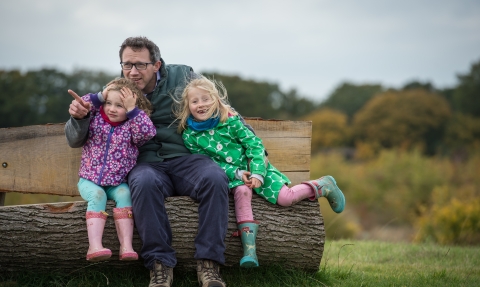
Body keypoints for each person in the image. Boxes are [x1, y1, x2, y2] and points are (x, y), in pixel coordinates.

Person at [65, 36, 251, 287]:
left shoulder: (183, 76)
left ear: (157, 64)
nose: (132, 72)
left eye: (140, 65)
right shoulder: (116, 90)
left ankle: (209, 265)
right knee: (141, 183)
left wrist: (253, 149)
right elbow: (76, 138)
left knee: (214, 176)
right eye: (126, 65)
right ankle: (159, 266)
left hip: (186, 158)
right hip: (146, 164)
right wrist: (79, 118)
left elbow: (219, 106)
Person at [175, 76, 346, 268]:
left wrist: (257, 173)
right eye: (195, 101)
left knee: (285, 198)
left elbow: (255, 146)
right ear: (187, 105)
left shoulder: (231, 122)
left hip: (259, 169)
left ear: (216, 100)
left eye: (205, 99)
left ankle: (322, 185)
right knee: (242, 192)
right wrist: (237, 174)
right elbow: (206, 163)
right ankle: (250, 251)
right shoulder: (190, 135)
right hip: (235, 178)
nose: (201, 104)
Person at [67, 78, 156, 262]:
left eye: (120, 105)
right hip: (89, 180)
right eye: (109, 103)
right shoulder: (96, 119)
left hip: (117, 183)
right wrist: (100, 96)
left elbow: (148, 132)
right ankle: (94, 246)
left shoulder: (131, 127)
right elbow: (82, 104)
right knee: (97, 195)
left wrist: (133, 110)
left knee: (126, 194)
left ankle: (126, 246)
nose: (112, 109)